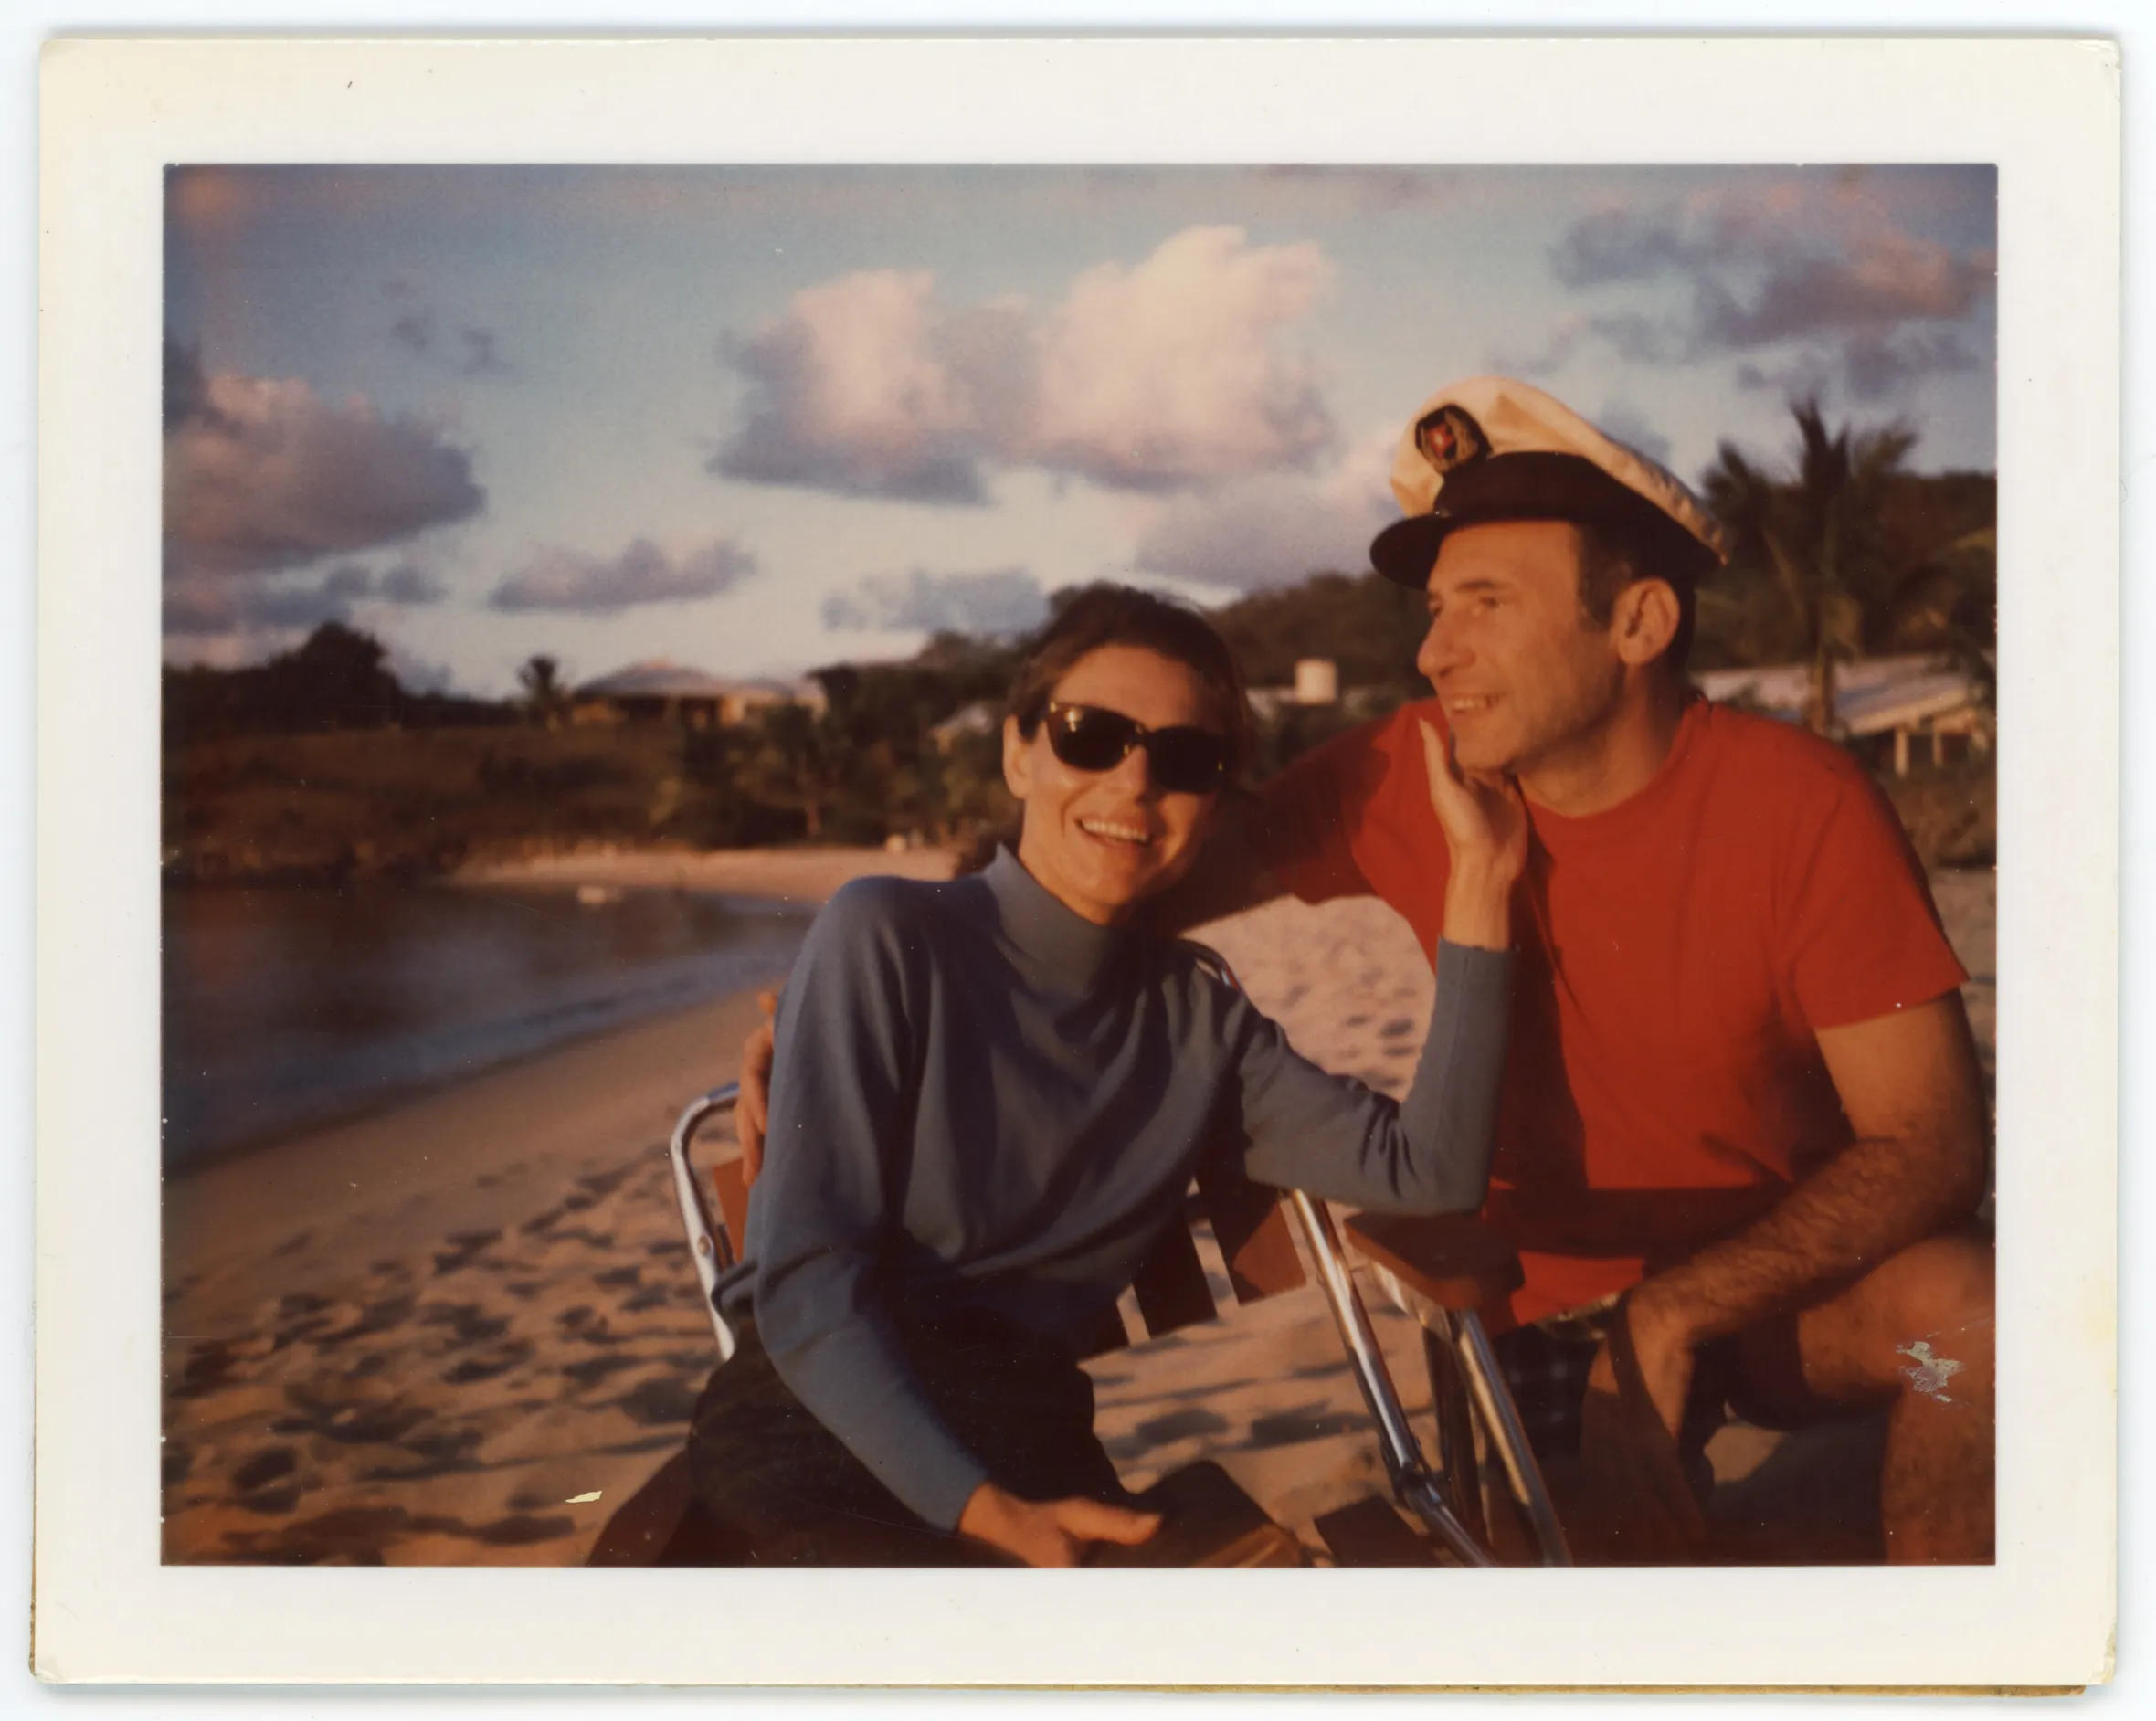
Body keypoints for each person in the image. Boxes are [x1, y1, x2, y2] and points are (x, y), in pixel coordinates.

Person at [739, 376, 1993, 1565]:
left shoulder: (1803, 805)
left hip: (1767, 1301)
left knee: (1971, 1339)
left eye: (1485, 604)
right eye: (1433, 612)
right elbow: (1107, 859)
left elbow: (1933, 1146)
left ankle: (1954, 1653)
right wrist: (859, 994)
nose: (1434, 656)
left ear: (1639, 621)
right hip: (1531, 1314)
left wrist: (1677, 1313)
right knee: (1570, 1625)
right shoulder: (1403, 768)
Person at [692, 586, 1527, 1568]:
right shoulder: (886, 934)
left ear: (1212, 805)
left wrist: (1477, 886)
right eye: (1090, 736)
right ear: (1017, 753)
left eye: (1182, 759)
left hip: (1036, 1442)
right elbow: (806, 1291)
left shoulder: (1197, 1017)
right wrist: (989, 1513)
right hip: (826, 1427)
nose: (1133, 783)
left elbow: (1427, 1173)